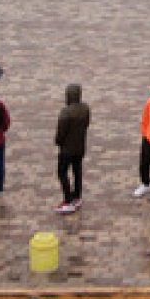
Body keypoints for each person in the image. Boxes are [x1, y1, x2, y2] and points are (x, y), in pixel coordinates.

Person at [54, 84, 91, 214]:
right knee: (77, 170)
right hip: (80, 146)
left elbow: (61, 133)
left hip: (67, 149)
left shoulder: (66, 112)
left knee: (62, 172)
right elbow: (87, 124)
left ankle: (68, 200)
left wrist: (58, 141)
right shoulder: (85, 108)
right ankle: (77, 196)